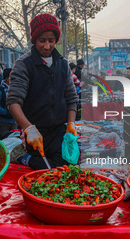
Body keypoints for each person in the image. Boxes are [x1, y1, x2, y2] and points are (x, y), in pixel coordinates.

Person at [6, 13, 78, 170]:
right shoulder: (24, 64)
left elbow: (72, 98)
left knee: (69, 164)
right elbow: (13, 102)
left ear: (56, 40)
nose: (47, 46)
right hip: (35, 133)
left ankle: (25, 157)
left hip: (58, 130)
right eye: (42, 41)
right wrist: (29, 129)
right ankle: (22, 157)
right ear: (34, 40)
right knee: (44, 169)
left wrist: (71, 124)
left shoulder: (62, 64)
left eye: (51, 41)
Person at [0, 68, 17, 140]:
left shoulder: (15, 88)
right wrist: (5, 112)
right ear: (7, 78)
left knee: (15, 142)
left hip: (14, 120)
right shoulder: (0, 89)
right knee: (4, 141)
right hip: (3, 122)